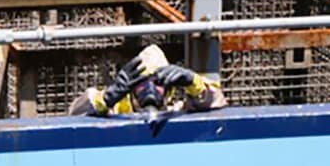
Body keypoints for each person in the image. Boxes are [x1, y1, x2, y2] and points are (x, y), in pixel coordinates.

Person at [68, 46, 227, 116]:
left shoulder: (178, 113)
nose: (150, 89)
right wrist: (106, 98)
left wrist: (194, 83)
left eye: (158, 82)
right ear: (130, 87)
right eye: (142, 83)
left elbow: (217, 107)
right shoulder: (113, 113)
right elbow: (74, 116)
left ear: (169, 90)